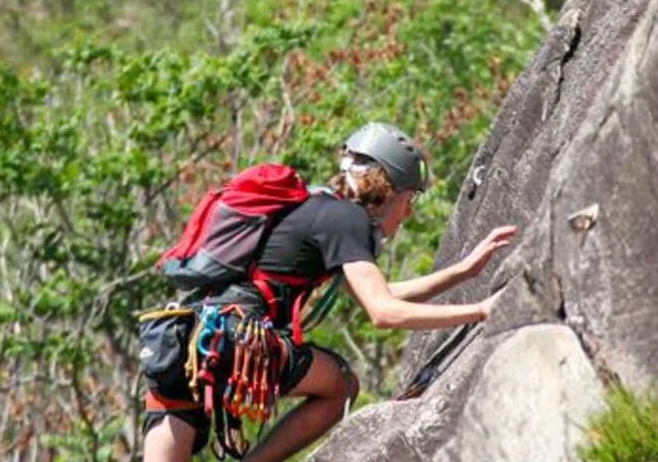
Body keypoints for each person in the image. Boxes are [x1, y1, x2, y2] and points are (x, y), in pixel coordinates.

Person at [140, 122, 518, 462]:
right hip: (236, 338)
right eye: (410, 199)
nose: (408, 214)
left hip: (181, 342)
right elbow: (383, 312)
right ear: (389, 188)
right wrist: (482, 310)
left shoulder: (313, 207)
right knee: (341, 385)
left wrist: (463, 271)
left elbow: (381, 293)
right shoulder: (347, 218)